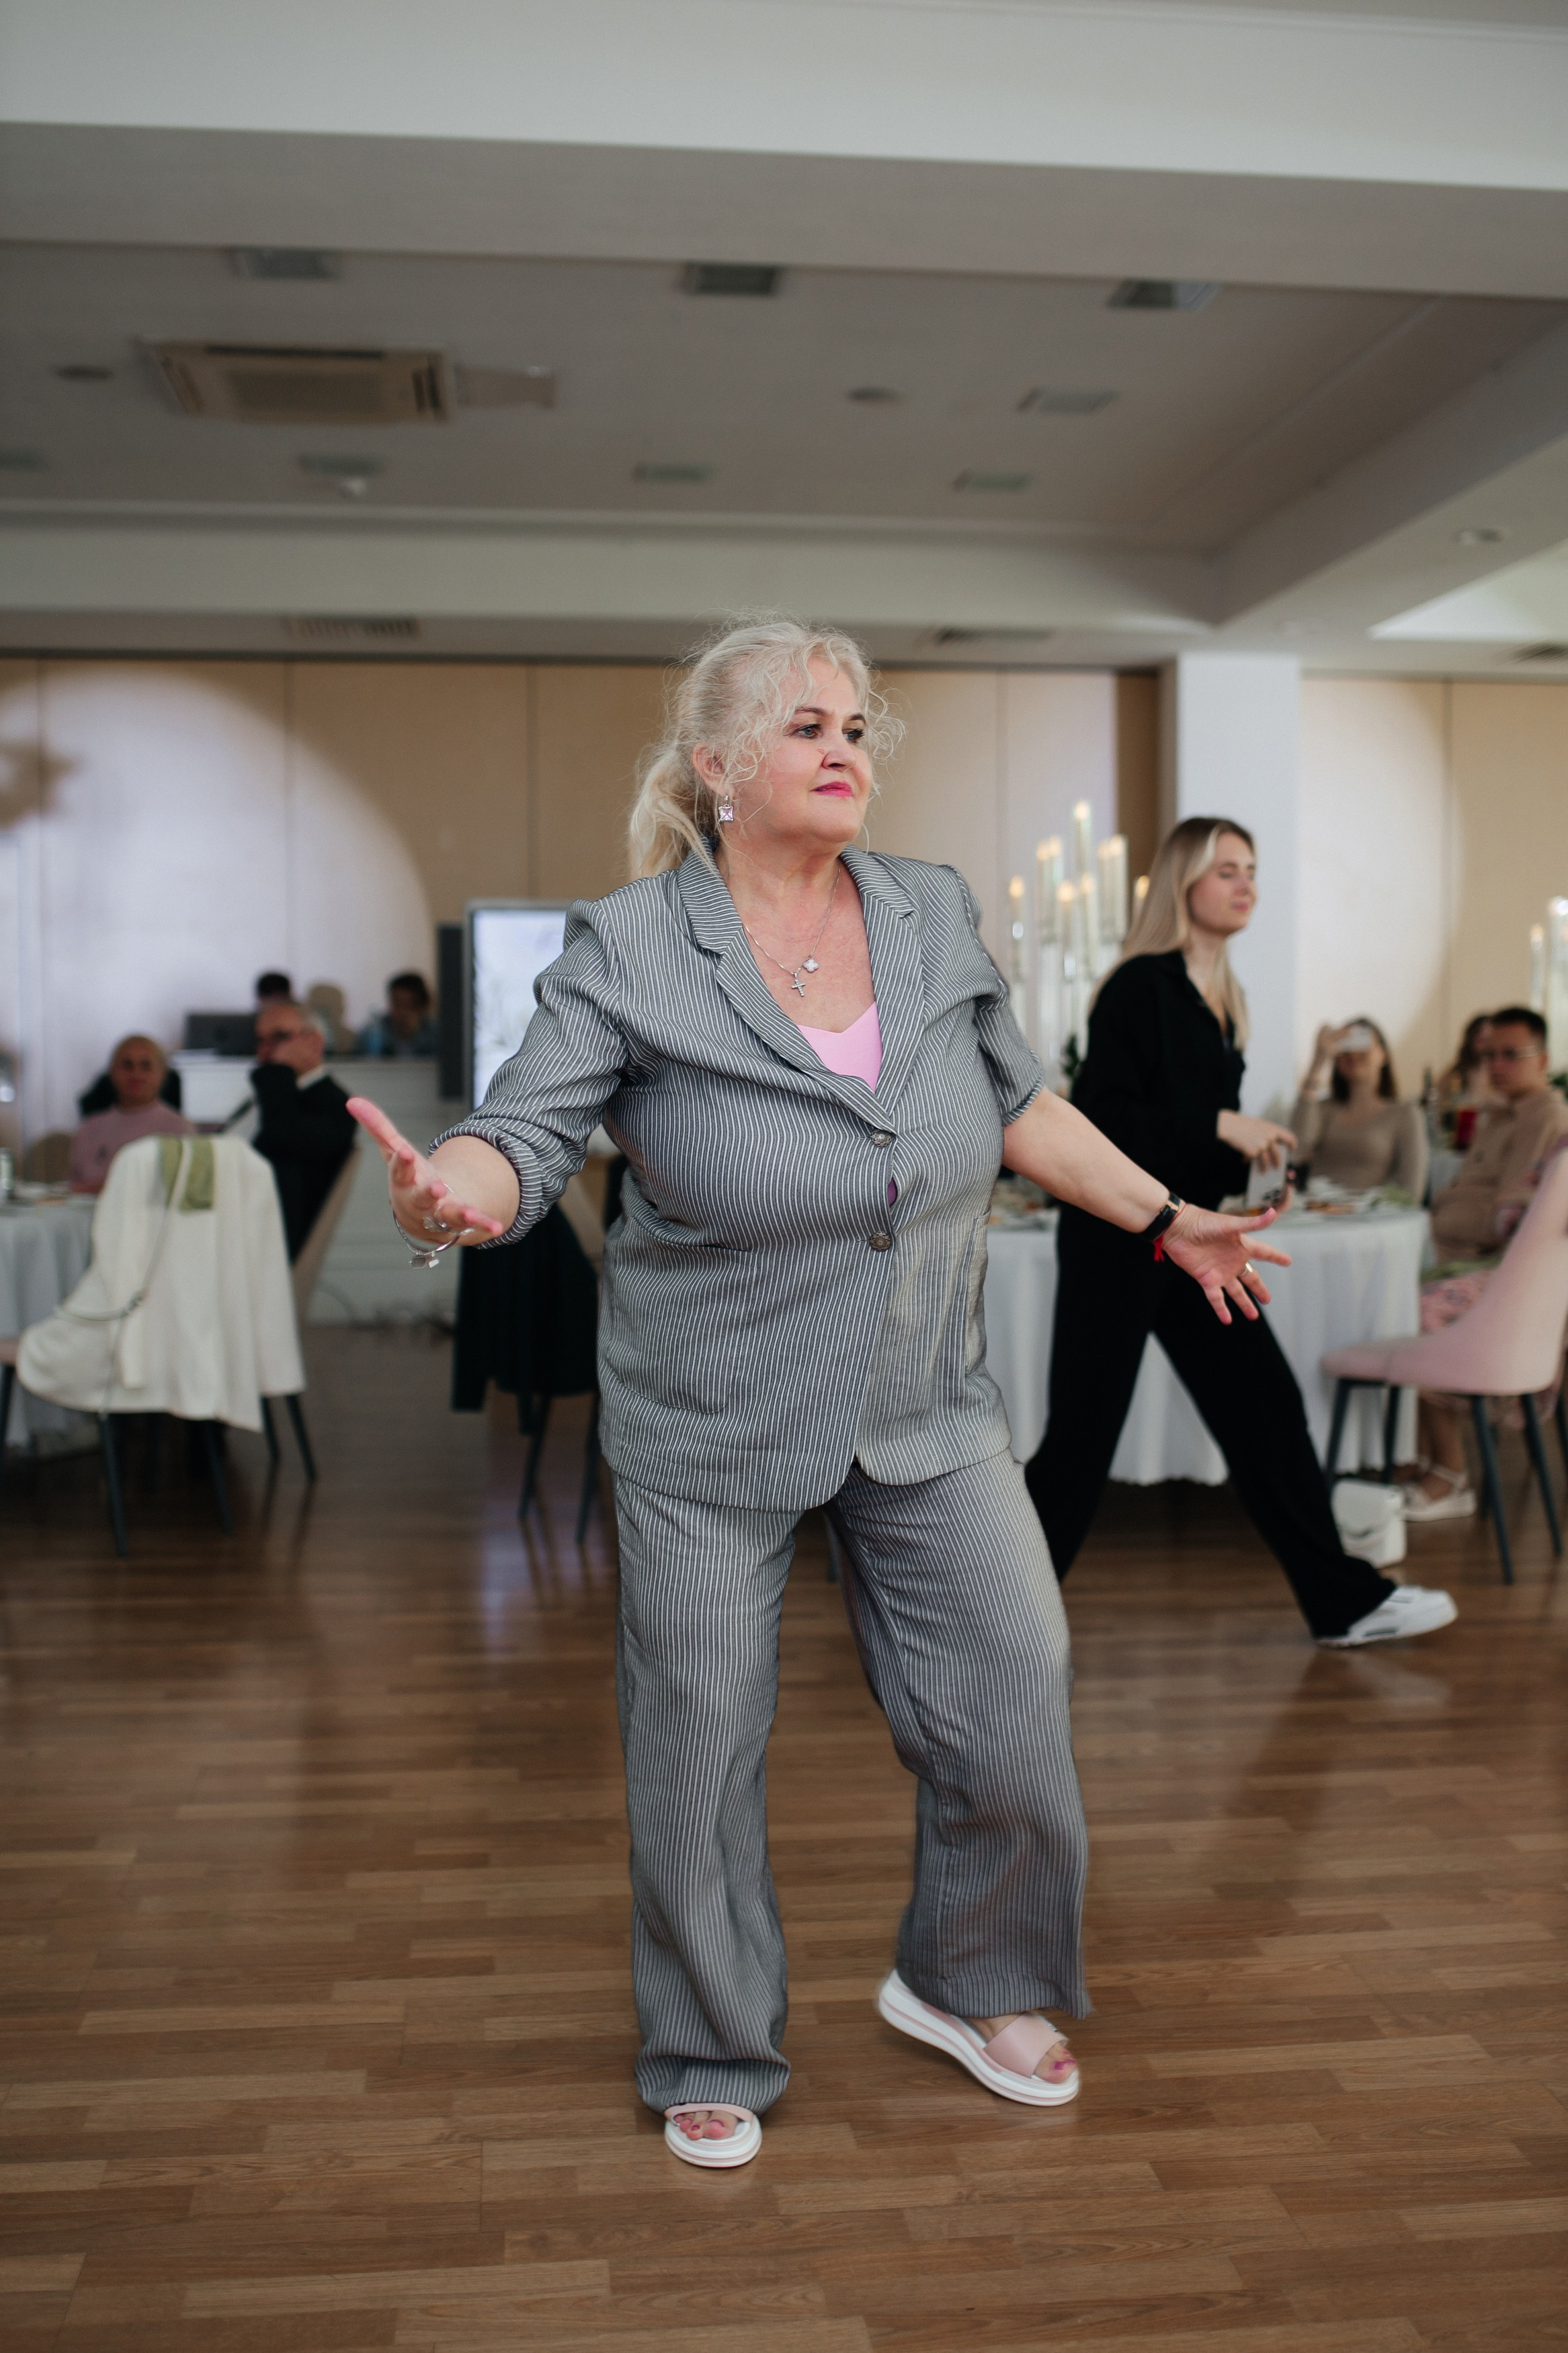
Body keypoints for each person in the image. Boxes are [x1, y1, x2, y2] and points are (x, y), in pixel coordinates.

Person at [348, 618, 1293, 2174]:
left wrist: (1160, 1211)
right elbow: (521, 1133)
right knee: (700, 1735)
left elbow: (1017, 1103)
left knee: (1012, 1687)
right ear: (717, 768)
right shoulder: (634, 944)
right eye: (802, 726)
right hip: (711, 1412)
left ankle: (965, 1976)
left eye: (855, 723)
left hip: (923, 1387)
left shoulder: (928, 909)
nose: (844, 745)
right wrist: (444, 1193)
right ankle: (711, 2037)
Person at [1024, 815, 1456, 1648]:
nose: (1243, 882)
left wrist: (1242, 1168)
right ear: (1182, 881)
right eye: (1225, 868)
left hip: (1195, 1243)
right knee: (1079, 1443)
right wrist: (1220, 1121)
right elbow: (1100, 1119)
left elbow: (1181, 1130)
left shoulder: (1223, 1000)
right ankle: (993, 1625)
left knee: (1265, 1411)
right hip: (1120, 1241)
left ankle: (1342, 1602)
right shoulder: (1139, 984)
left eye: (1250, 868)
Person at [1405, 1006, 1568, 1519]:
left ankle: (1450, 1474)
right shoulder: (1499, 1114)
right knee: (1384, 1297)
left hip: (1505, 1275)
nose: (1496, 1065)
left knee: (1415, 1312)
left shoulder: (1546, 1117)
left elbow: (1515, 1219)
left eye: (1509, 1055)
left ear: (1542, 1059)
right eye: (1489, 1054)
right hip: (1456, 1257)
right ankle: (1421, 1454)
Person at [251, 999, 356, 1260]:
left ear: (314, 1042)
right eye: (261, 1040)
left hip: (275, 1251)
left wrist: (277, 1072)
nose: (266, 1052)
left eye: (279, 1038)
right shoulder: (282, 1096)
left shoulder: (336, 1105)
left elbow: (276, 1137)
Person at [1291, 1018, 1428, 1197]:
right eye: (1346, 1045)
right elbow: (1297, 1145)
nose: (1354, 1053)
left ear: (1383, 1054)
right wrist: (1318, 1062)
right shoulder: (1323, 1109)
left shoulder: (1405, 1114)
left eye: (1362, 1043)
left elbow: (1411, 1189)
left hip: (1370, 1218)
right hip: (1318, 1212)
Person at [69, 1035, 193, 1193]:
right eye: (127, 1065)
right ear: (112, 1071)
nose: (136, 1074)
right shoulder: (89, 1128)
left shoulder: (179, 1129)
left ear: (161, 1073)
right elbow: (73, 1190)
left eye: (146, 1066)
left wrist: (105, 1189)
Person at [358, 971, 439, 1058]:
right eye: (396, 1004)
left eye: (407, 1004)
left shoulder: (435, 1035)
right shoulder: (374, 1034)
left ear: (421, 1007)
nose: (401, 1011)